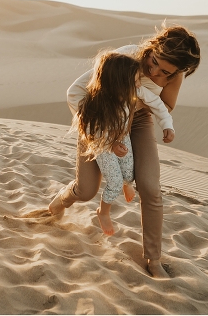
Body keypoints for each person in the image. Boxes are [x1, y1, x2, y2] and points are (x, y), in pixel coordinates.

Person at [49, 24, 200, 278]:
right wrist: (97, 128)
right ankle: (59, 202)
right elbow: (75, 92)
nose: (156, 75)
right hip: (100, 119)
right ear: (151, 48)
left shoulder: (175, 73)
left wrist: (138, 103)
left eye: (166, 73)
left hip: (139, 119)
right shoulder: (125, 57)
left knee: (150, 187)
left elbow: (166, 106)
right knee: (86, 190)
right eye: (154, 64)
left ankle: (153, 259)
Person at [74, 51, 175, 237]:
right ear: (119, 82)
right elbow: (89, 130)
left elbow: (158, 104)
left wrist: (167, 126)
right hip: (102, 144)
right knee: (114, 181)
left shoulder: (136, 90)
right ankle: (103, 212)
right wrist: (110, 145)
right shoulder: (97, 101)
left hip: (122, 138)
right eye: (136, 80)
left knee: (129, 173)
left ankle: (125, 183)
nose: (139, 83)